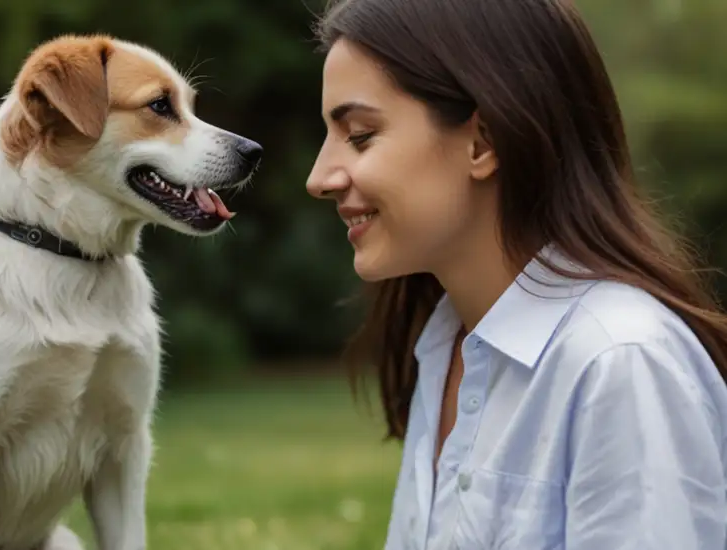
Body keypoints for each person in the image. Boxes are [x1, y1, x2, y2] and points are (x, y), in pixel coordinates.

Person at [305, 0, 727, 548]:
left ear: (483, 142)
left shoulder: (619, 362)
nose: (320, 178)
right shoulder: (444, 344)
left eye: (360, 135)